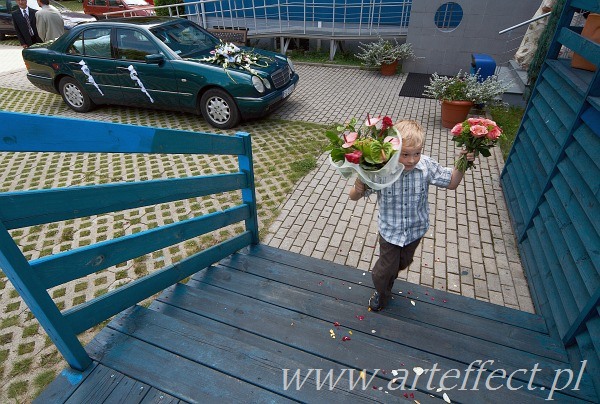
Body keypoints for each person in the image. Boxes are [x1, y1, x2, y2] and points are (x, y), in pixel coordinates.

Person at [349, 120, 475, 311]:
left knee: (403, 262)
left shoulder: (426, 166)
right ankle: (382, 293)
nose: (411, 160)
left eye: (416, 153)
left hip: (416, 230)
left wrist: (463, 163)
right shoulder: (381, 170)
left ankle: (389, 276)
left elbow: (451, 182)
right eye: (405, 154)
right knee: (383, 272)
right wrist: (358, 188)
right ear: (392, 150)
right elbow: (353, 197)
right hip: (390, 232)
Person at [514, 0, 557, 70]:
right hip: (541, 22)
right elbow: (545, 7)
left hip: (540, 20)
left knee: (531, 42)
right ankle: (524, 62)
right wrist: (558, 11)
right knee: (533, 43)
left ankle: (524, 61)